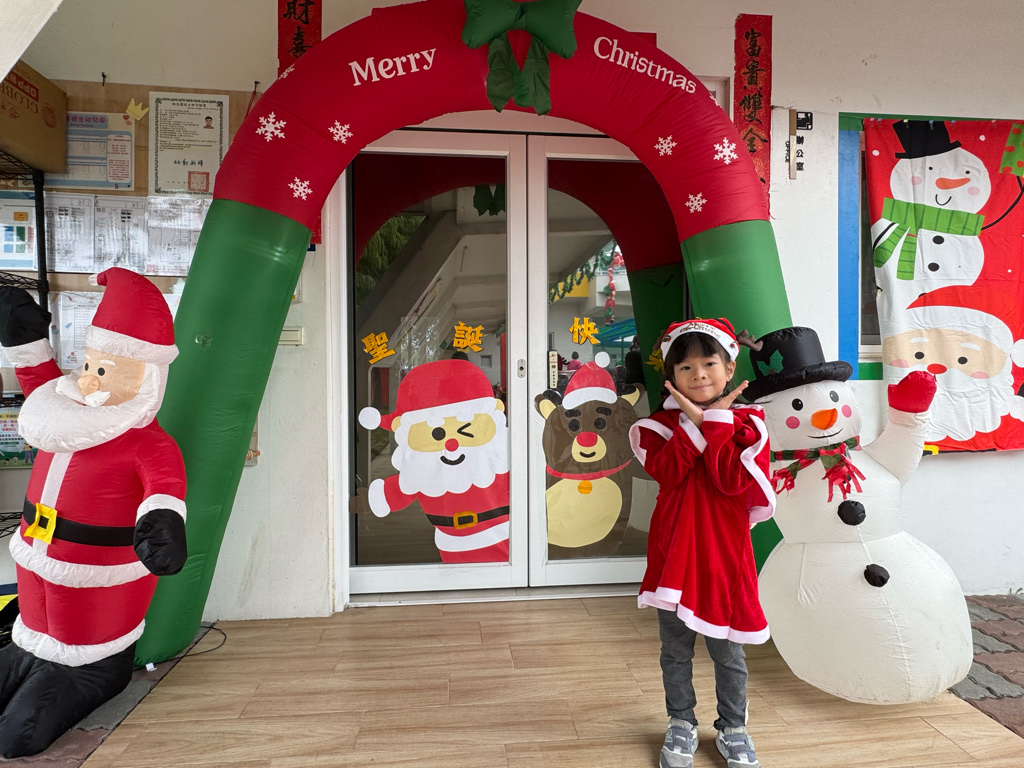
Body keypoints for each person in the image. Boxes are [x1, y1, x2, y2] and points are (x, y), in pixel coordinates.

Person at [627, 318, 774, 768]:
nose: (699, 374)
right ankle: (681, 722)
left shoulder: (749, 424)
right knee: (675, 650)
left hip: (722, 556)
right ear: (671, 376)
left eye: (709, 363)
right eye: (686, 367)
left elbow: (730, 480)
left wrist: (715, 423)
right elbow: (668, 473)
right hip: (672, 554)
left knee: (728, 652)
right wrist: (695, 425)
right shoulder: (656, 427)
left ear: (730, 369)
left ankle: (733, 728)